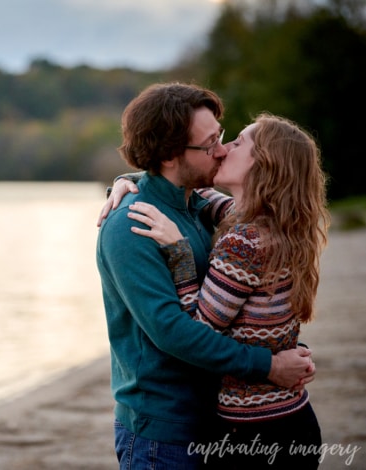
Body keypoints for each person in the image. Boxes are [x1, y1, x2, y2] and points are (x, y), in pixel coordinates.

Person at [95, 83, 315, 469]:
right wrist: (270, 366)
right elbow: (174, 333)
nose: (222, 149)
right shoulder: (133, 227)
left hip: (220, 423)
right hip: (166, 433)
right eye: (209, 143)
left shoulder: (199, 205)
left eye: (223, 137)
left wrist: (125, 177)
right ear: (168, 154)